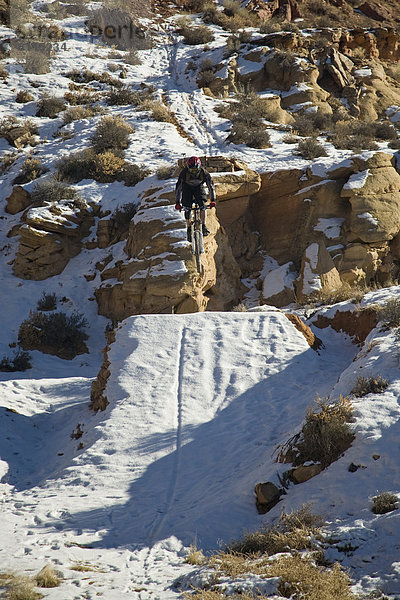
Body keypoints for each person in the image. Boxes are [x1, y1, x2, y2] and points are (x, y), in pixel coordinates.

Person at [174, 156, 216, 242]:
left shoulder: (204, 173)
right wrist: (177, 202)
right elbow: (178, 188)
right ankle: (189, 228)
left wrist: (213, 200)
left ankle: (203, 226)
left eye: (195, 170)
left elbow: (211, 187)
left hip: (198, 187)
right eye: (191, 170)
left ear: (199, 167)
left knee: (202, 205)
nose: (193, 172)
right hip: (187, 188)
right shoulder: (184, 173)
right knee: (187, 207)